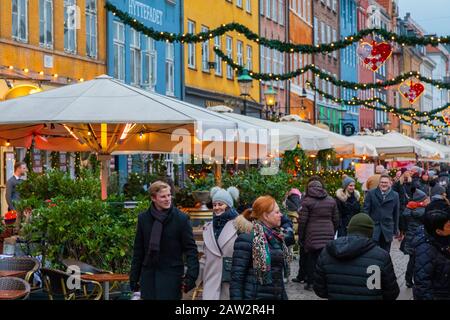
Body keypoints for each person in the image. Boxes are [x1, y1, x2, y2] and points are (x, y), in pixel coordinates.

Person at [129, 181, 199, 300]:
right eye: (163, 196)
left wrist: (191, 276)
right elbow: (138, 251)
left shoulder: (181, 219)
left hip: (171, 277)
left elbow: (191, 250)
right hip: (149, 277)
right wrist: (134, 277)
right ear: (153, 198)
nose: (167, 199)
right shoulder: (143, 219)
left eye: (169, 195)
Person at [313, 213, 400, 300]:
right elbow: (391, 293)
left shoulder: (327, 252)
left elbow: (320, 290)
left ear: (349, 229)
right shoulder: (381, 256)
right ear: (371, 232)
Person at [230, 196, 292, 300]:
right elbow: (237, 278)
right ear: (266, 216)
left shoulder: (277, 237)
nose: (281, 215)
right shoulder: (247, 239)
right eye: (277, 212)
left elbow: (277, 277)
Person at [298, 180, 339, 291]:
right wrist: (332, 231)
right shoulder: (331, 200)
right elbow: (336, 219)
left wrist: (301, 237)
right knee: (326, 259)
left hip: (312, 233)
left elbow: (302, 222)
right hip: (328, 232)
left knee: (312, 259)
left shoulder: (306, 201)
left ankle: (311, 283)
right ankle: (325, 282)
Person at [202, 186, 239, 300]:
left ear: (228, 205)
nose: (217, 207)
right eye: (214, 205)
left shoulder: (239, 225)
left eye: (220, 204)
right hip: (211, 279)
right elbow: (205, 256)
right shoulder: (208, 227)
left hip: (231, 280)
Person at [412, 210, 450, 300]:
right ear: (438, 231)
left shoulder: (444, 240)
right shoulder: (425, 250)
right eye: (449, 226)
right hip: (439, 295)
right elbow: (422, 283)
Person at [363, 174, 400, 253]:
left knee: (385, 253)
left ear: (390, 183)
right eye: (382, 182)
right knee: (373, 252)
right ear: (379, 183)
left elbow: (396, 213)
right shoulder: (371, 193)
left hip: (387, 228)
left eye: (386, 182)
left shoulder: (395, 195)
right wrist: (367, 227)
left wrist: (396, 229)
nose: (383, 184)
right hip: (374, 228)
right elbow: (366, 211)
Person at [401, 188, 430, 288]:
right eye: (426, 199)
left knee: (412, 260)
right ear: (421, 200)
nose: (427, 200)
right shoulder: (423, 210)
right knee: (419, 261)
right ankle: (416, 280)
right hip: (420, 238)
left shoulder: (409, 208)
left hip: (410, 237)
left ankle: (408, 280)